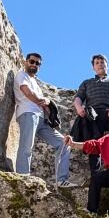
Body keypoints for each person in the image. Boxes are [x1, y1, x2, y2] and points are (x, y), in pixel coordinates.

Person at [12, 51, 71, 184]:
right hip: (28, 113)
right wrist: (43, 100)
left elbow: (43, 102)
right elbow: (27, 92)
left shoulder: (35, 83)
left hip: (41, 119)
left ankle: (62, 180)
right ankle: (23, 178)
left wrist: (48, 104)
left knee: (64, 143)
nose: (34, 65)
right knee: (26, 146)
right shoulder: (22, 75)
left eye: (37, 63)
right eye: (32, 61)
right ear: (26, 62)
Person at [72, 54, 109, 167]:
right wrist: (79, 108)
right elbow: (78, 98)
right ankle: (96, 174)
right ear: (93, 67)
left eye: (102, 62)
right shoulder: (87, 83)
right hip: (93, 115)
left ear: (107, 65)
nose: (100, 64)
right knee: (93, 141)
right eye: (97, 63)